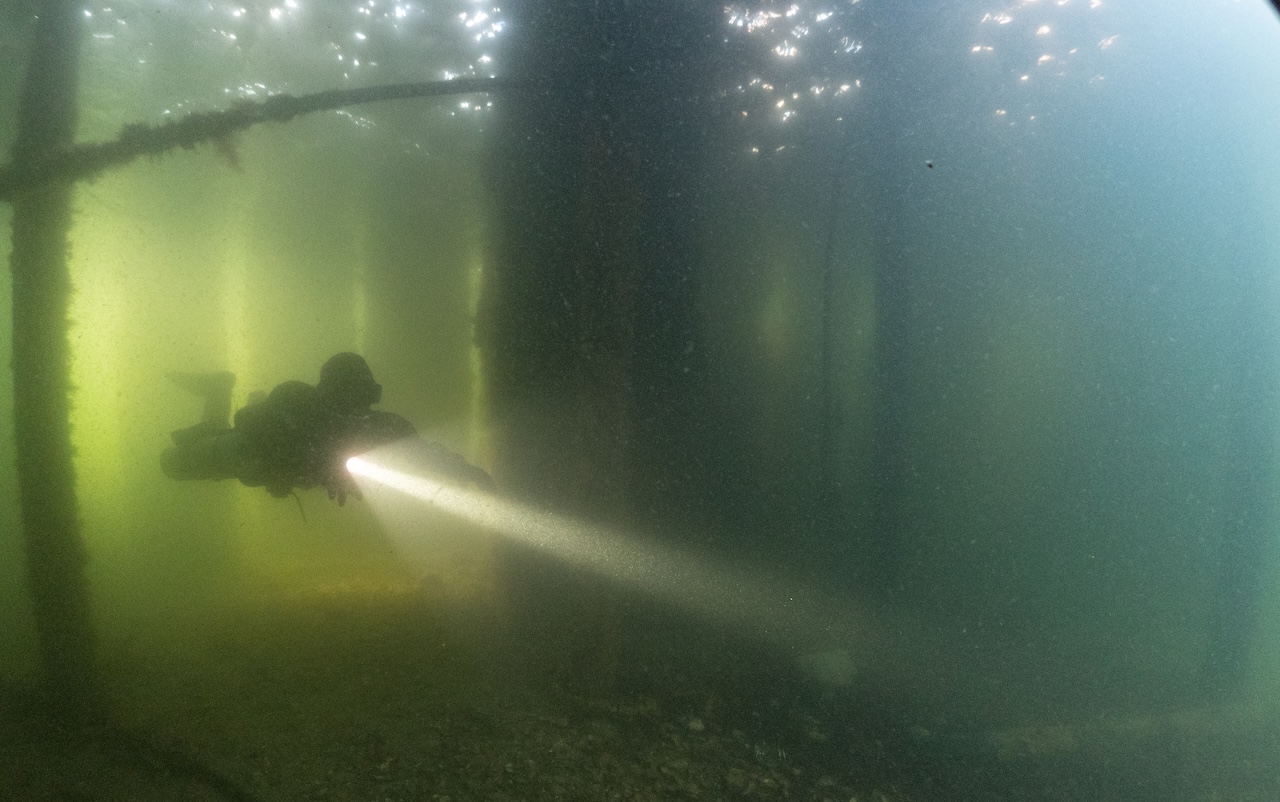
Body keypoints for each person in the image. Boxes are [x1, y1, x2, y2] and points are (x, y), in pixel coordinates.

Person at [162, 352, 493, 505]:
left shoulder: (379, 425)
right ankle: (219, 390)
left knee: (200, 451)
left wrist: (464, 470)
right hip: (246, 458)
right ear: (333, 392)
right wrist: (281, 469)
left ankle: (218, 394)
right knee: (174, 463)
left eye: (366, 396)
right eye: (353, 395)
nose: (359, 407)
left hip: (263, 464)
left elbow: (420, 452)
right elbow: (249, 425)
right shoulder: (297, 405)